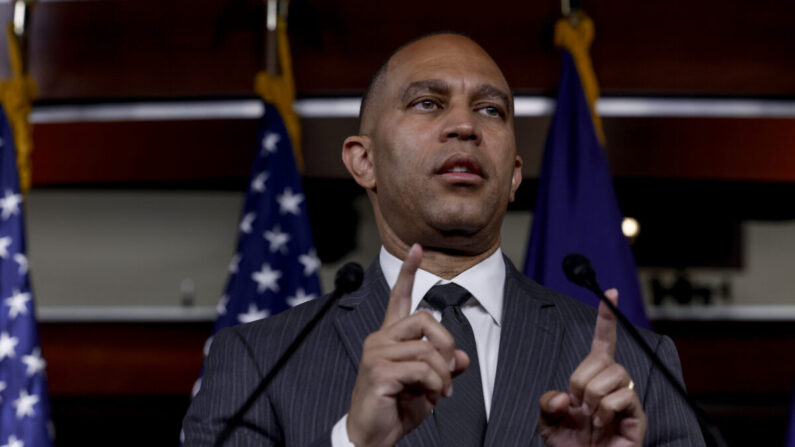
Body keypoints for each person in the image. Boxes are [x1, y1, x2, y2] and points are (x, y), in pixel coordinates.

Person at [183, 33, 704, 446]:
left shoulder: (640, 365)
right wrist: (354, 442)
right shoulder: (256, 359)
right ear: (363, 161)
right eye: (429, 104)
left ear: (515, 175)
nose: (465, 126)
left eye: (491, 110)